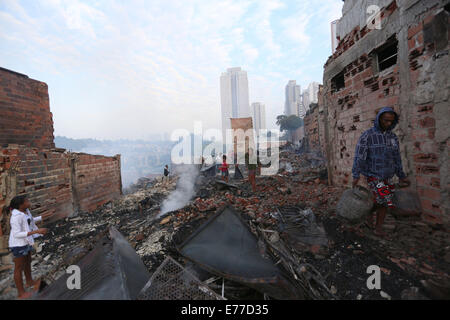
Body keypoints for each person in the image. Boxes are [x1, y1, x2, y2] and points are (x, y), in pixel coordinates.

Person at [352, 107, 410, 237]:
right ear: (379, 119)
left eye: (391, 121)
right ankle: (377, 227)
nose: (388, 124)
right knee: (383, 200)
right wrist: (356, 175)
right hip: (373, 175)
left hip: (388, 175)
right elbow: (359, 157)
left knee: (383, 200)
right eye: (385, 120)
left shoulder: (393, 137)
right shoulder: (368, 136)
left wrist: (401, 175)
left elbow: (397, 158)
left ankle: (369, 216)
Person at [8, 195, 48, 299]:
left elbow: (29, 221)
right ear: (20, 205)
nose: (29, 202)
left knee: (28, 261)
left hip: (26, 242)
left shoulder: (25, 211)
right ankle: (21, 293)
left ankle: (29, 281)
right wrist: (36, 231)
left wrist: (42, 217)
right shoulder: (15, 217)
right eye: (27, 201)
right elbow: (16, 234)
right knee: (18, 267)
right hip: (18, 244)